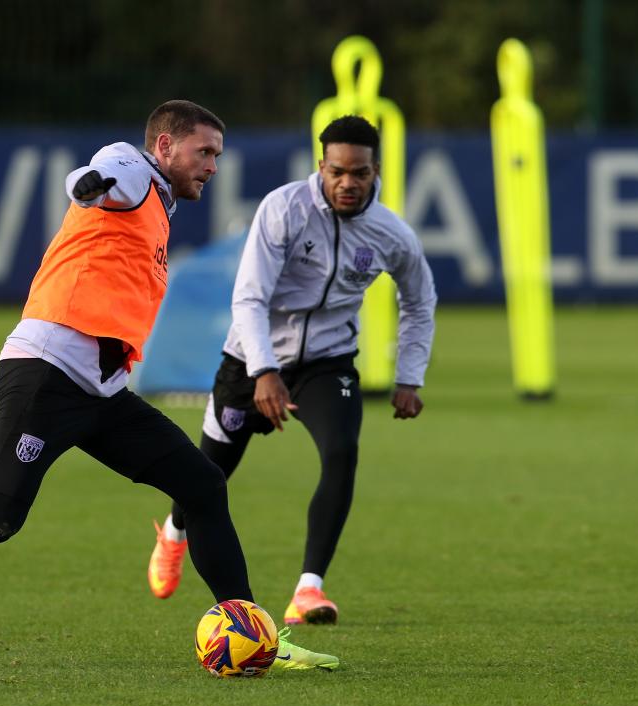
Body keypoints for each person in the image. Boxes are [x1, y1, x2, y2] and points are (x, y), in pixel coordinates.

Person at [0, 100, 337, 671]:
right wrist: (92, 182)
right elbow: (101, 178)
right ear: (163, 147)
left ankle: (256, 635)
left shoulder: (158, 203)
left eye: (217, 154)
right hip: (46, 373)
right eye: (203, 151)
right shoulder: (131, 170)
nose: (212, 165)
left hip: (100, 390)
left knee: (203, 486)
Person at [148, 115, 437, 627]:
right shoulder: (283, 209)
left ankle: (309, 589)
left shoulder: (392, 233)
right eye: (338, 171)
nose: (348, 182)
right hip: (249, 360)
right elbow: (250, 295)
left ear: (376, 172)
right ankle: (174, 531)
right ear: (321, 166)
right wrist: (263, 371)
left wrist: (409, 375)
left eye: (361, 173)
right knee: (208, 475)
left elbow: (419, 300)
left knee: (342, 452)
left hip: (326, 362)